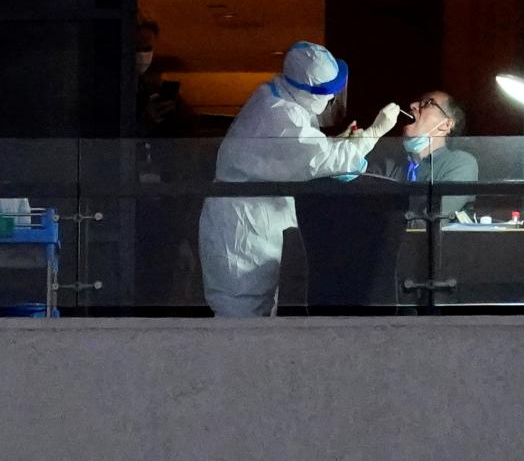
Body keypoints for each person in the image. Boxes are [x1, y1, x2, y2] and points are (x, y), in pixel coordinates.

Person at [199, 41, 400, 317]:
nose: (331, 99)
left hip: (258, 221)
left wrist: (337, 143)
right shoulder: (279, 113)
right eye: (328, 93)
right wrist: (374, 133)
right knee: (240, 318)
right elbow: (317, 159)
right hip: (244, 230)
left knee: (258, 317)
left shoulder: (280, 97)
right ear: (311, 92)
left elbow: (302, 154)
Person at [390, 89, 480, 221]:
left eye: (427, 103)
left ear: (446, 124)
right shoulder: (391, 165)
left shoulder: (459, 163)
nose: (413, 105)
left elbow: (431, 219)